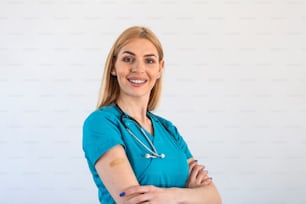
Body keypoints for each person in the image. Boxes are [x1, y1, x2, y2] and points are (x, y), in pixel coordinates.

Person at [82, 26, 221, 204]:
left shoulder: (168, 129)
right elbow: (133, 201)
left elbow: (214, 198)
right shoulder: (101, 123)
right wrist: (192, 195)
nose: (138, 68)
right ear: (114, 67)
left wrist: (171, 196)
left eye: (149, 61)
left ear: (160, 68)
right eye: (128, 59)